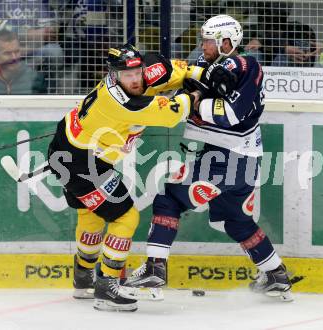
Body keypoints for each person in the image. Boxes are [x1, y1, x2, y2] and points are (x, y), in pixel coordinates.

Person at [46, 43, 231, 312]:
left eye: (137, 71)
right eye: (126, 75)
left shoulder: (141, 76)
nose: (134, 79)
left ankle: (83, 276)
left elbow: (177, 70)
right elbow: (174, 112)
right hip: (81, 164)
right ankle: (107, 285)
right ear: (112, 74)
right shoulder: (122, 102)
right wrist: (201, 90)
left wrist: (202, 73)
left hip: (68, 149)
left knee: (92, 214)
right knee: (126, 216)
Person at [123, 15, 293, 302]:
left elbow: (230, 115)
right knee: (234, 219)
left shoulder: (248, 66)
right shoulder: (206, 64)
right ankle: (275, 274)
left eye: (208, 41)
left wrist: (197, 100)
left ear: (226, 42)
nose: (202, 45)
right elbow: (182, 91)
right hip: (238, 159)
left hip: (230, 157)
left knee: (169, 199)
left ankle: (155, 267)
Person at [0, 0, 64, 92]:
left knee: (54, 51)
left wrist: (29, 46)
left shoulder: (40, 2)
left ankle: (48, 96)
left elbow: (49, 33)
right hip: (4, 49)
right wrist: (29, 34)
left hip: (34, 48)